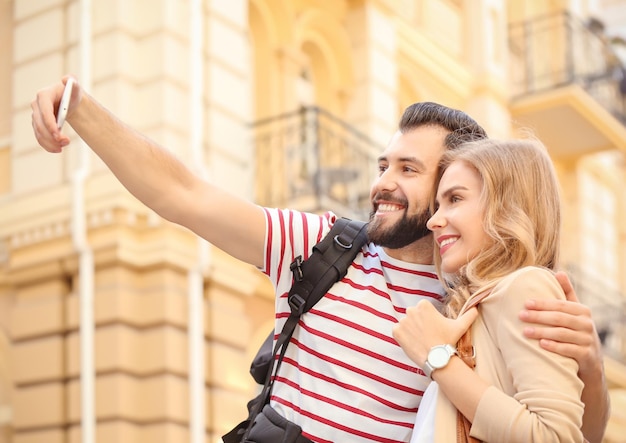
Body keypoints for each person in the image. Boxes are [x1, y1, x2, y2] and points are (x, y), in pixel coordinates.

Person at [31, 76, 609, 443]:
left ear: (453, 187)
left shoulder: (478, 303)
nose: (382, 182)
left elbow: (566, 435)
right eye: (384, 164)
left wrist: (588, 368)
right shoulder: (323, 244)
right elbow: (183, 194)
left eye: (409, 170)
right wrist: (81, 109)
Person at [392, 138, 590, 442]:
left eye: (455, 199)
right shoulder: (485, 304)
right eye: (437, 205)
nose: (434, 220)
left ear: (507, 207)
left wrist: (437, 358)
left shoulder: (524, 287)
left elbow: (554, 436)